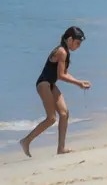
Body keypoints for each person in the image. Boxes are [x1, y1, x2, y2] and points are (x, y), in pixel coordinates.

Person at [19, 27, 90, 157]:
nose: (79, 47)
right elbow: (61, 75)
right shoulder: (61, 52)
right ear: (70, 39)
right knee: (51, 118)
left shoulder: (65, 52)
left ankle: (61, 149)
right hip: (43, 84)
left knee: (64, 114)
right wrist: (78, 83)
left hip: (51, 84)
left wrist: (80, 82)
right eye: (77, 43)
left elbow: (64, 73)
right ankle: (26, 141)